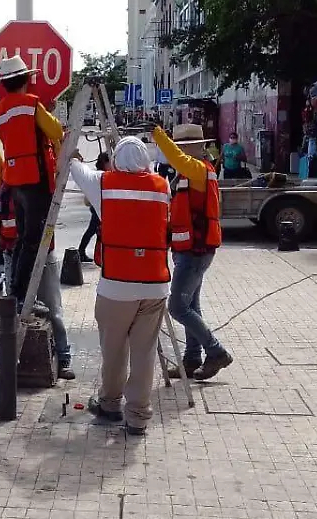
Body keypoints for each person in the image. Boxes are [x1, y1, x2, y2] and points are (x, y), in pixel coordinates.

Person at [69, 136, 171, 436]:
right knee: (144, 353)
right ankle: (138, 417)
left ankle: (110, 404)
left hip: (116, 286)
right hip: (154, 284)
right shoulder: (161, 186)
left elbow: (76, 170)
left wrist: (73, 155)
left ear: (115, 161)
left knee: (113, 350)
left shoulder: (104, 184)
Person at [152, 123, 234, 381]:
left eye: (183, 148)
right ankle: (191, 360)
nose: (179, 153)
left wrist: (158, 135)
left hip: (195, 252)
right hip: (190, 249)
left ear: (195, 149)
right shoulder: (189, 173)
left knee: (177, 307)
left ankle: (216, 351)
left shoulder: (197, 169)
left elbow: (177, 158)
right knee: (191, 306)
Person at [0, 55, 63, 309]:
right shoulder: (31, 104)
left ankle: (14, 292)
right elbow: (57, 132)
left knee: (22, 239)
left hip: (14, 181)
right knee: (32, 240)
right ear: (27, 79)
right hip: (36, 181)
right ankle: (20, 296)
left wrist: (2, 178)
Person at [0, 185, 75, 380]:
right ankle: (4, 366)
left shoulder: (42, 184)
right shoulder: (7, 190)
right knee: (14, 312)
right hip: (15, 253)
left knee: (53, 309)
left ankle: (63, 358)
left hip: (42, 253)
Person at [78, 152, 110, 262]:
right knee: (92, 230)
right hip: (98, 206)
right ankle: (81, 252)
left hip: (101, 206)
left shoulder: (105, 174)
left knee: (94, 231)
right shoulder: (100, 175)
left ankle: (84, 251)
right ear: (105, 163)